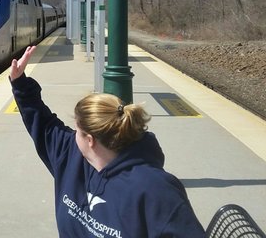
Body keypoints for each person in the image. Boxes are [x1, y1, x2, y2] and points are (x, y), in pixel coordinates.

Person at [10, 46, 205, 238]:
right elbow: (45, 125)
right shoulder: (71, 156)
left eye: (76, 129)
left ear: (90, 140)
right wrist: (20, 83)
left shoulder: (156, 190)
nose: (71, 133)